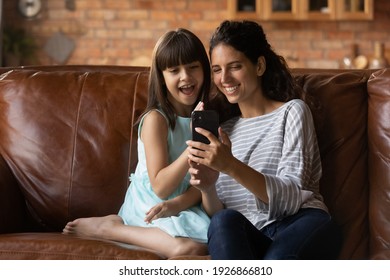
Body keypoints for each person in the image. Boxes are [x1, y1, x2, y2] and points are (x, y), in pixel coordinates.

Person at [186, 20, 342, 260]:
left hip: (300, 224)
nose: (224, 78)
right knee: (221, 220)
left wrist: (230, 165)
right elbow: (223, 213)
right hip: (253, 236)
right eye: (217, 69)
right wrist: (208, 188)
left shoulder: (292, 113)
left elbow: (290, 199)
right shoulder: (223, 132)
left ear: (259, 66)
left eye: (235, 66)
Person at [63, 28, 212, 259]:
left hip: (180, 204)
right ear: (161, 78)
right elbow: (161, 187)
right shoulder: (156, 120)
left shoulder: (205, 117)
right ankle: (112, 229)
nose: (186, 76)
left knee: (211, 242)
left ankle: (115, 225)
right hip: (150, 204)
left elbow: (201, 184)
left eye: (193, 67)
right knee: (189, 249)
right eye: (174, 70)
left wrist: (178, 205)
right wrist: (193, 144)